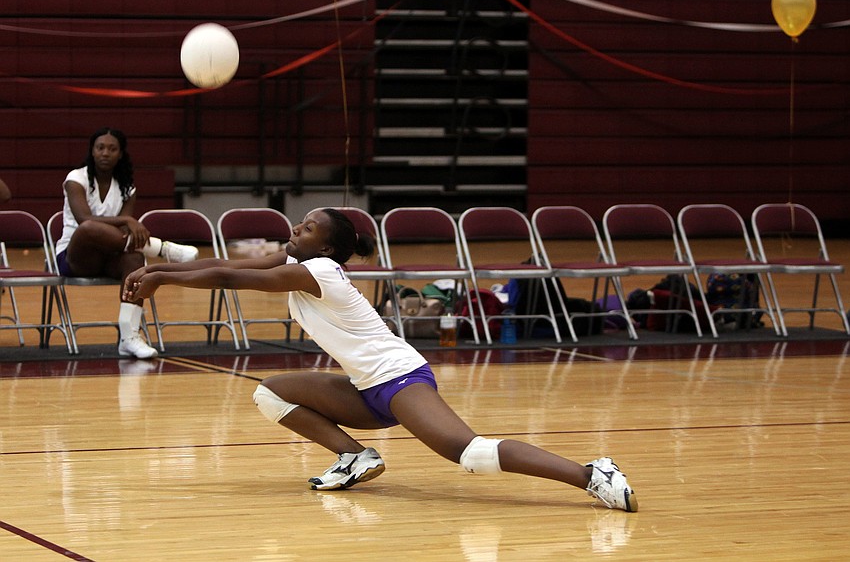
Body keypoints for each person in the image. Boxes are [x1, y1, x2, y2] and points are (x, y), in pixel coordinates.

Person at [123, 208, 637, 512]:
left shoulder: (319, 271)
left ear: (326, 247)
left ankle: (592, 474)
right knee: (270, 392)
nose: (294, 232)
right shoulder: (297, 261)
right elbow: (227, 264)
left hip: (399, 378)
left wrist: (164, 277)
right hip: (365, 387)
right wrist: (160, 266)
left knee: (469, 453)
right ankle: (355, 457)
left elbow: (237, 280)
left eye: (305, 229)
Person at [55, 127, 199, 359]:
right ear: (92, 151)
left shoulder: (127, 188)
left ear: (120, 154)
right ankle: (163, 249)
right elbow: (85, 219)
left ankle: (129, 337)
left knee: (135, 259)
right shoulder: (76, 179)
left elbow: (125, 232)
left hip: (110, 254)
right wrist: (126, 218)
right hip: (75, 256)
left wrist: (126, 222)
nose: (105, 153)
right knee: (89, 228)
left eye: (112, 149)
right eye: (100, 147)